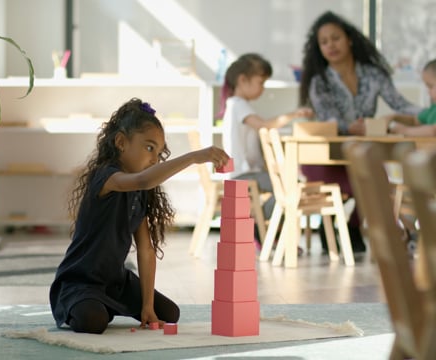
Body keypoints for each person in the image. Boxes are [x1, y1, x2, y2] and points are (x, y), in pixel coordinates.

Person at [49, 98, 230, 334]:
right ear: (121, 142)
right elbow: (143, 179)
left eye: (159, 152)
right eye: (149, 147)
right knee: (93, 322)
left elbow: (145, 250)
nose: (155, 159)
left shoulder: (139, 194)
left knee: (169, 314)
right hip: (80, 281)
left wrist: (147, 306)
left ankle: (106, 305)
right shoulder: (106, 178)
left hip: (116, 282)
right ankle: (87, 307)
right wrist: (194, 157)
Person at [298, 11, 422, 253]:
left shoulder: (373, 74)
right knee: (368, 181)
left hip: (359, 154)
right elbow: (328, 119)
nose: (330, 45)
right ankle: (337, 226)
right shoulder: (319, 81)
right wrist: (348, 127)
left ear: (349, 39)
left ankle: (353, 226)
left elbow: (400, 104)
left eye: (335, 38)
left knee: (374, 175)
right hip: (325, 156)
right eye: (324, 42)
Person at [219, 53, 313, 226]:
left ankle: (264, 229)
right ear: (243, 80)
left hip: (245, 172)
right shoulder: (238, 105)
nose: (263, 89)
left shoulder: (238, 105)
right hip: (243, 174)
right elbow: (265, 125)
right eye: (261, 83)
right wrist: (294, 114)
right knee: (291, 186)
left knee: (288, 186)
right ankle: (258, 224)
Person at [388, 56, 436, 179]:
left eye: (431, 86)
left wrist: (404, 131)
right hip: (433, 168)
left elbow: (434, 131)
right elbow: (415, 120)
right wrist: (394, 117)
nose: (428, 91)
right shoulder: (435, 107)